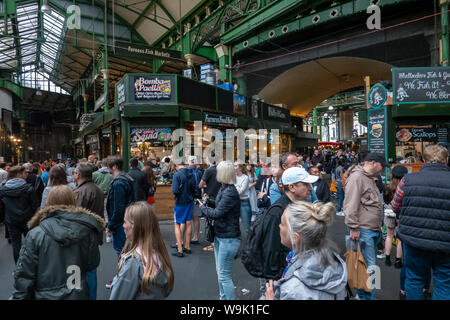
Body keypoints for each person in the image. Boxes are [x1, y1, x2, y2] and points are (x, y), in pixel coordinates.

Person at [11, 185, 105, 299]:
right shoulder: (87, 231)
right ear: (73, 202)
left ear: (48, 203)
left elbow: (25, 274)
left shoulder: (36, 234)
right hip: (77, 293)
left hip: (45, 295)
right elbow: (92, 263)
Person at [391, 144, 450, 300]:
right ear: (447, 160)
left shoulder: (408, 180)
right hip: (446, 242)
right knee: (444, 282)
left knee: (414, 278)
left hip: (414, 239)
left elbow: (395, 206)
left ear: (423, 159)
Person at [265, 201, 347, 300]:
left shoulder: (292, 290)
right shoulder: (332, 258)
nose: (279, 226)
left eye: (282, 223)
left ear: (295, 237)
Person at [259, 166, 319, 298]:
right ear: (292, 187)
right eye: (306, 184)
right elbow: (271, 249)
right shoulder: (277, 212)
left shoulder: (298, 206)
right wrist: (273, 281)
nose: (310, 188)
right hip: (282, 276)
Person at [343, 152, 386, 300]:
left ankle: (363, 296)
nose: (382, 169)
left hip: (370, 230)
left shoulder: (368, 178)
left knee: (367, 268)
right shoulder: (357, 177)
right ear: (373, 163)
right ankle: (366, 297)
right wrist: (354, 227)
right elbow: (350, 205)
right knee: (368, 269)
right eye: (382, 166)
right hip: (363, 230)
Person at [110, 202, 174, 300]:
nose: (123, 226)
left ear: (134, 227)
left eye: (125, 222)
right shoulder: (160, 255)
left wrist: (118, 277)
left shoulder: (132, 264)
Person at [197, 161, 241, 300]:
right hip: (222, 235)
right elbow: (221, 206)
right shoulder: (225, 189)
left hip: (228, 238)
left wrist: (203, 208)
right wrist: (210, 202)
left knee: (223, 275)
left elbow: (217, 213)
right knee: (221, 273)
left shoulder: (230, 191)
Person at [73, 162, 105, 300]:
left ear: (78, 175)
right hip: (94, 233)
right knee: (91, 270)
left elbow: (75, 216)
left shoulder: (80, 192)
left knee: (81, 271)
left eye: (74, 172)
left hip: (83, 236)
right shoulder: (96, 189)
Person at [0, 166, 40, 263]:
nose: (27, 175)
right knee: (30, 242)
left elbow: (1, 207)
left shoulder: (3, 190)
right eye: (25, 173)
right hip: (28, 220)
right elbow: (35, 206)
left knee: (16, 243)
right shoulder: (29, 188)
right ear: (18, 175)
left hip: (11, 220)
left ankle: (19, 266)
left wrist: (3, 219)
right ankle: (30, 265)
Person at [105, 155, 135, 259]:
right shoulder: (125, 178)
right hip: (124, 220)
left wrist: (111, 225)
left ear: (114, 167)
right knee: (125, 250)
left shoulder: (118, 183)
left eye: (108, 166)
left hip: (120, 223)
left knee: (122, 251)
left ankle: (124, 274)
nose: (107, 168)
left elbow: (118, 207)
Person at [171, 161, 196, 257]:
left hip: (180, 202)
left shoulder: (177, 175)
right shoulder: (191, 173)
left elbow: (175, 190)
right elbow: (194, 188)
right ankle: (187, 246)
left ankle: (180, 250)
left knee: (177, 223)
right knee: (188, 222)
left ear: (177, 165)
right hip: (189, 201)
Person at [198, 157, 221, 252]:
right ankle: (216, 242)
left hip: (210, 198)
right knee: (218, 220)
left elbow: (200, 185)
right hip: (219, 197)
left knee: (210, 222)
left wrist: (204, 185)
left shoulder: (208, 171)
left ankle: (213, 244)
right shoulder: (220, 170)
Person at [187, 156, 202, 245]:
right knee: (196, 218)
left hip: (189, 197)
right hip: (197, 196)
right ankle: (195, 236)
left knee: (187, 218)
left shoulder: (187, 171)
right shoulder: (199, 172)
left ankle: (186, 239)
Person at [234, 163, 251, 231]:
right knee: (234, 225)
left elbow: (240, 192)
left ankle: (250, 241)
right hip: (235, 202)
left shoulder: (245, 178)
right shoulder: (233, 177)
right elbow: (231, 190)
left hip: (244, 203)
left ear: (240, 168)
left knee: (246, 227)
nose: (233, 167)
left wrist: (235, 187)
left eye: (235, 166)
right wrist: (238, 187)